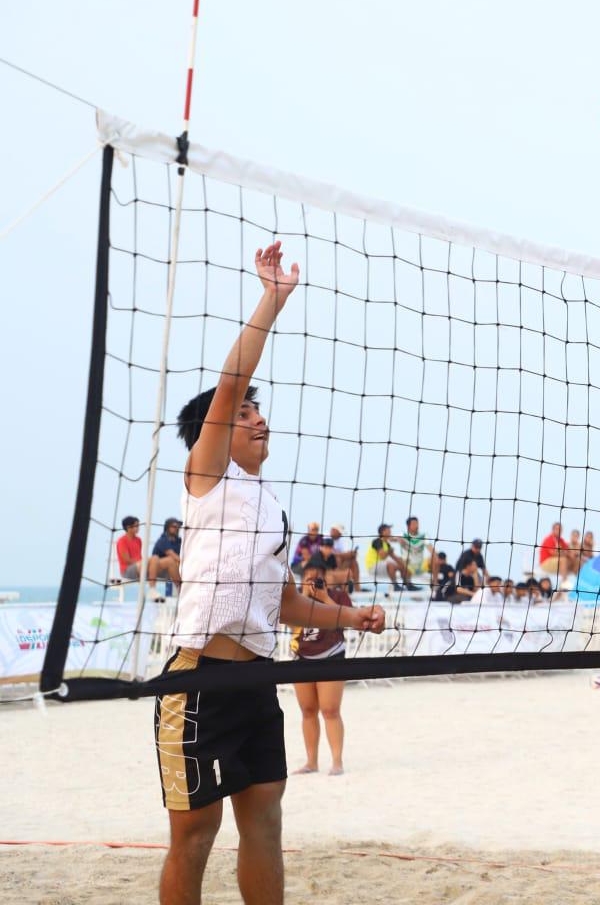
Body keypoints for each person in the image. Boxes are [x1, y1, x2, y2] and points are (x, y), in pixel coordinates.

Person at [157, 241, 385, 904]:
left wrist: (350, 616)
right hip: (199, 679)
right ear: (215, 432)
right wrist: (273, 298)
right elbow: (230, 383)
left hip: (258, 677)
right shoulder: (207, 476)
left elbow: (282, 602)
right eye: (244, 414)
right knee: (195, 836)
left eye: (259, 411)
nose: (258, 418)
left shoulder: (270, 504)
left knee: (264, 825)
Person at [291, 556, 353, 775]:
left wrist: (324, 597)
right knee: (307, 711)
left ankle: (337, 761)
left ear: (326, 577)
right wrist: (304, 598)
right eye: (308, 577)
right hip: (302, 657)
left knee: (330, 710)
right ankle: (311, 762)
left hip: (331, 656)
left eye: (316, 577)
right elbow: (291, 625)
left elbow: (347, 620)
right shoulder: (298, 600)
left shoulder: (338, 596)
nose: (312, 581)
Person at [116, 515, 177, 597]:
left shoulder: (138, 540)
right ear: (128, 527)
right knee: (154, 558)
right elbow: (127, 560)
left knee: (169, 561)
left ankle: (179, 588)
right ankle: (152, 589)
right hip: (127, 570)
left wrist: (145, 562)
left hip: (139, 566)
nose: (138, 528)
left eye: (138, 526)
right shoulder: (122, 541)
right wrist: (144, 561)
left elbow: (139, 557)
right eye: (136, 526)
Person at [365, 523, 419, 592]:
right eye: (388, 530)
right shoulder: (377, 541)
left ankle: (409, 585)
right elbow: (382, 555)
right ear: (383, 532)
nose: (390, 531)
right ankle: (395, 586)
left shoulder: (387, 544)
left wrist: (405, 566)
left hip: (381, 567)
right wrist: (391, 549)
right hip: (372, 567)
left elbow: (395, 557)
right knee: (391, 564)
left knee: (401, 564)